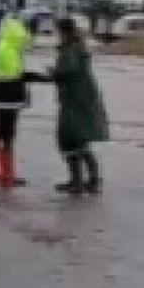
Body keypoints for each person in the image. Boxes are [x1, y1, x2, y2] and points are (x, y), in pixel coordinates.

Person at [50, 17, 108, 195]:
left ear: (62, 31)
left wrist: (54, 73)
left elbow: (69, 70)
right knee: (78, 140)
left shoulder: (70, 48)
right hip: (81, 98)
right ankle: (89, 180)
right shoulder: (77, 46)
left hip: (75, 100)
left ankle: (80, 181)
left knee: (70, 140)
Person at [0, 13, 35, 187]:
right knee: (7, 135)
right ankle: (7, 175)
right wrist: (34, 77)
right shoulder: (10, 50)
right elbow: (15, 75)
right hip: (10, 99)